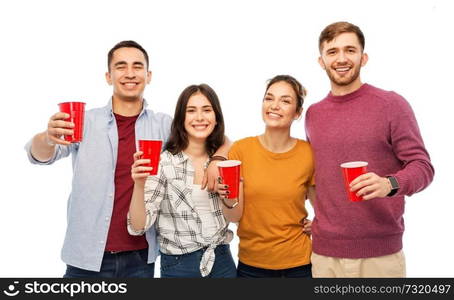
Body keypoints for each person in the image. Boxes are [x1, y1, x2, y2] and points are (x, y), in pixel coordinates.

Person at [24, 41, 226, 278]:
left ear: (148, 76)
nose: (130, 73)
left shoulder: (164, 125)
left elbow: (214, 134)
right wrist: (48, 138)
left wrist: (218, 158)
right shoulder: (84, 123)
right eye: (121, 66)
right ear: (109, 76)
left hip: (140, 258)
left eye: (137, 66)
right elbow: (37, 155)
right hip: (85, 259)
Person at [305, 21, 435, 277]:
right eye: (332, 52)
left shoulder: (391, 104)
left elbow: (423, 167)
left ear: (363, 58)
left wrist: (390, 184)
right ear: (321, 61)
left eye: (350, 50)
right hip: (324, 255)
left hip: (380, 256)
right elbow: (317, 177)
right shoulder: (313, 114)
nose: (341, 58)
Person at [127, 84, 241, 278]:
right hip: (179, 266)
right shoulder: (164, 163)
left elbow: (237, 216)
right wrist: (139, 184)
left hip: (222, 261)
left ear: (216, 118)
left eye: (206, 110)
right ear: (181, 119)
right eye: (191, 111)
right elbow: (138, 227)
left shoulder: (228, 160)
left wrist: (219, 161)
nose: (199, 117)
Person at [223, 75, 315, 278]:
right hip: (251, 266)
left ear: (297, 112)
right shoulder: (240, 150)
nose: (274, 106)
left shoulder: (308, 153)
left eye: (285, 101)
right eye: (269, 98)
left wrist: (317, 224)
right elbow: (233, 216)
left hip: (299, 266)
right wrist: (226, 195)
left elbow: (323, 206)